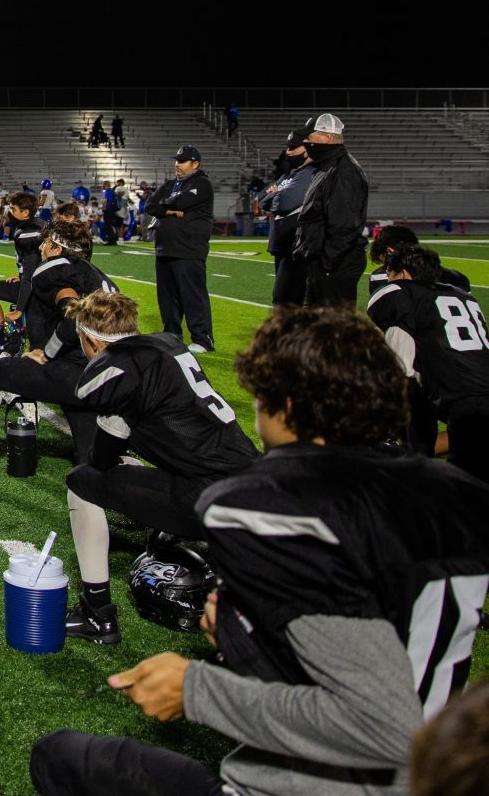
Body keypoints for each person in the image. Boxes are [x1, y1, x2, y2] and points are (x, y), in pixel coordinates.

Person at [31, 306, 489, 796]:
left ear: (284, 404)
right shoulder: (463, 495)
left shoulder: (271, 508)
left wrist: (196, 689)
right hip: (444, 772)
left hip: (327, 783)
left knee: (57, 758)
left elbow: (384, 728)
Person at [53, 293, 258, 644]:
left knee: (81, 481)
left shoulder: (122, 372)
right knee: (130, 467)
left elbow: (100, 460)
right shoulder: (166, 345)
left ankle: (96, 613)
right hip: (255, 484)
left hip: (212, 498)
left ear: (90, 340)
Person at [0, 220, 117, 480]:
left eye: (46, 242)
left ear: (57, 247)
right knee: (90, 464)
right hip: (105, 372)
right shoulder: (98, 276)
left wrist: (47, 352)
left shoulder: (59, 273)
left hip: (72, 369)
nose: (41, 246)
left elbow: (74, 318)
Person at [368, 245, 489, 479]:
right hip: (473, 392)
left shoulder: (400, 294)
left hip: (466, 402)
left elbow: (402, 369)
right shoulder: (461, 294)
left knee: (462, 486)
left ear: (402, 274)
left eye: (390, 274)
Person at [289, 113, 369, 306]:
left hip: (335, 263)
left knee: (334, 329)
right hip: (324, 261)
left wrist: (327, 263)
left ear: (327, 137)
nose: (306, 141)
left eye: (310, 137)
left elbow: (344, 225)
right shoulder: (327, 167)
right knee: (313, 327)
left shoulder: (343, 171)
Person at [141, 146, 215, 353]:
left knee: (192, 295)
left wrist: (167, 206)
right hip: (165, 248)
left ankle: (202, 339)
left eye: (182, 161)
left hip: (189, 249)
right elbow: (150, 205)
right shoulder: (170, 183)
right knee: (167, 296)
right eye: (177, 161)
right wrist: (172, 210)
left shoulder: (202, 183)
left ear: (195, 164)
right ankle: (172, 335)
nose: (177, 164)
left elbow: (179, 201)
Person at [0, 192, 42, 354]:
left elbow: (31, 274)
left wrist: (19, 309)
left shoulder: (28, 233)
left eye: (13, 208)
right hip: (40, 282)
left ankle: (4, 335)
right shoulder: (38, 224)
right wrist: (20, 275)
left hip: (37, 288)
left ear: (25, 212)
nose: (9, 211)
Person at [262, 131, 315, 305]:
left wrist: (277, 195)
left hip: (295, 246)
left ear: (307, 148)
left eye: (293, 148)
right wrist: (276, 196)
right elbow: (262, 200)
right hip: (282, 245)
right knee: (282, 299)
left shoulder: (309, 173)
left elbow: (284, 203)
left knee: (286, 300)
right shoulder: (290, 175)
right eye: (287, 148)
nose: (288, 152)